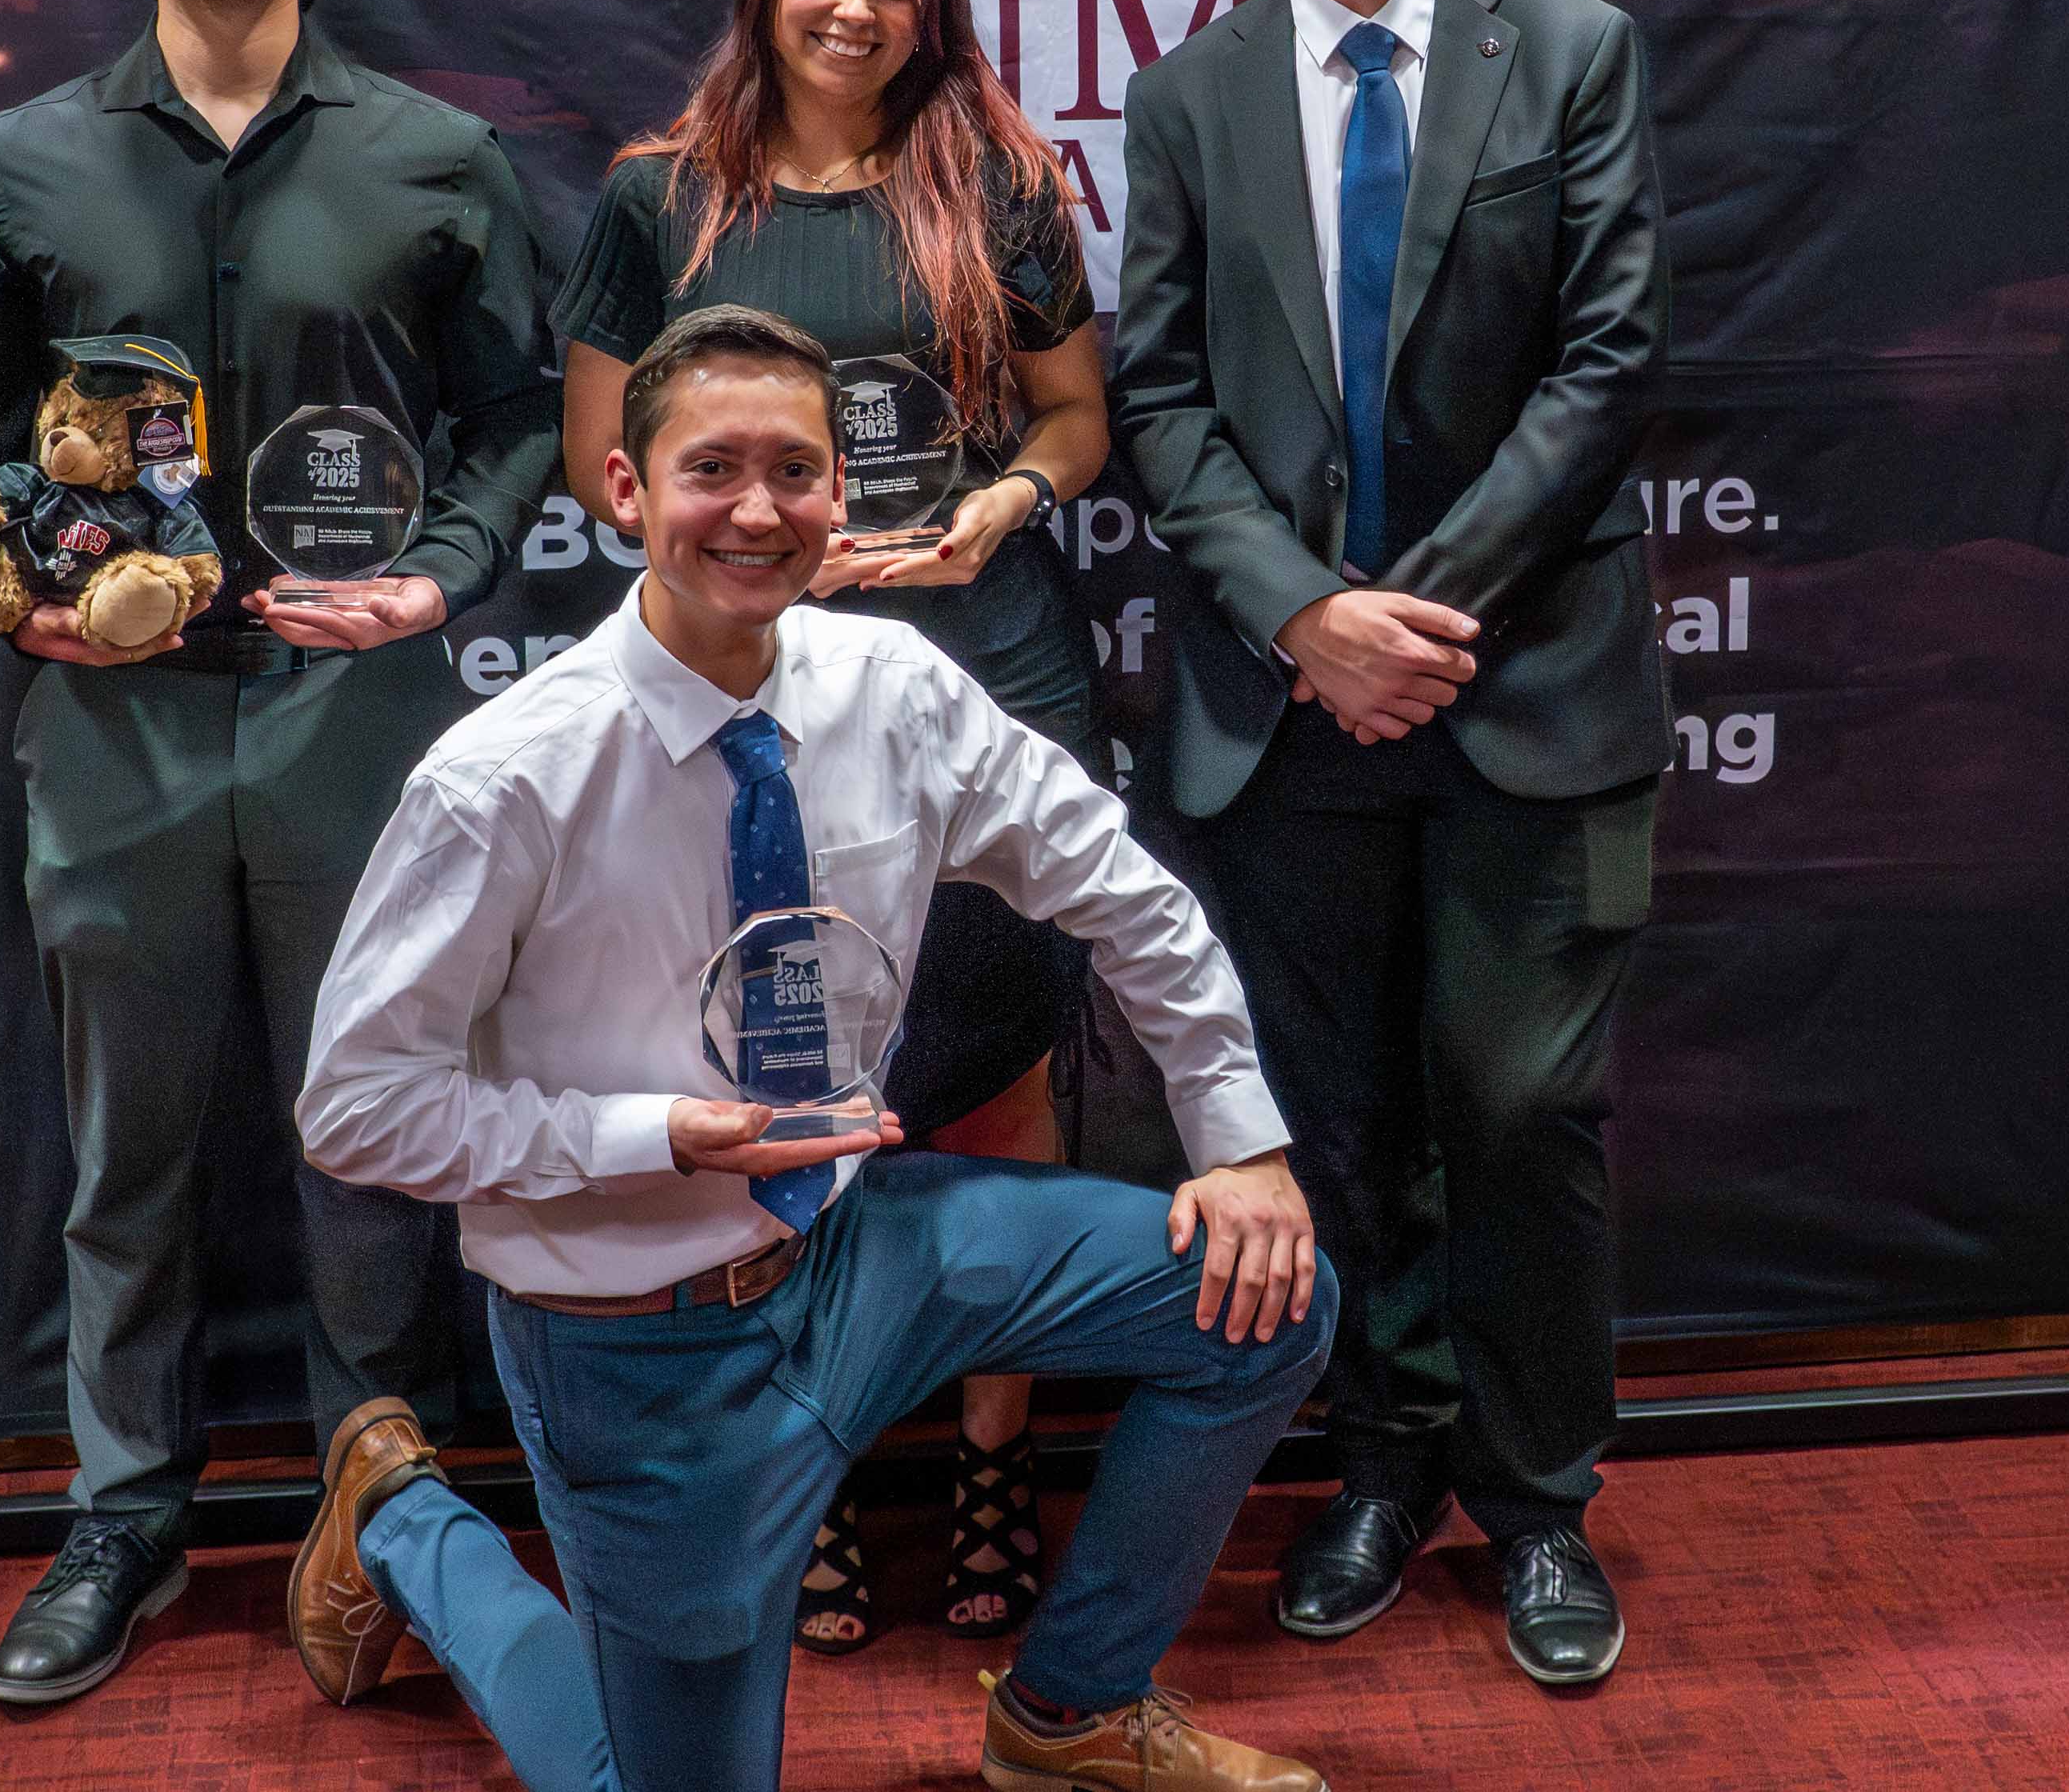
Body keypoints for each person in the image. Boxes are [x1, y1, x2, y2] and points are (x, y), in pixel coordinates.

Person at [295, 305, 1338, 1792]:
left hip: (858, 1251)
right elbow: (357, 1112)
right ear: (623, 490)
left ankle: (1069, 1713)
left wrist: (1240, 1143)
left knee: (1267, 1301)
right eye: (711, 468)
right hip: (638, 1338)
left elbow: (1129, 894)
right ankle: (401, 1514)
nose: (760, 508)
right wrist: (651, 1132)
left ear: (842, 498)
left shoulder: (890, 691)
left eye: (798, 469)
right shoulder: (504, 781)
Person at [0, 0, 594, 1755]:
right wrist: (18, 580)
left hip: (358, 717)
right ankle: (123, 1516)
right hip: (107, 735)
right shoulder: (26, 158)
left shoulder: (434, 158)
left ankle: (381, 1506)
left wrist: (445, 576)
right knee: (124, 1149)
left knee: (372, 1134)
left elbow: (510, 421)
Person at [1111, 0, 1673, 1686]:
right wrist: (1304, 620)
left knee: (1522, 1109)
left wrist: (1407, 618)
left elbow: (1611, 360)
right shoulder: (1184, 103)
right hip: (1284, 712)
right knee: (1330, 1125)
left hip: (1529, 688)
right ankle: (1378, 1457)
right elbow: (1159, 403)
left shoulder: (1576, 51)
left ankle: (1540, 1504)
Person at [551, 0, 1108, 1651]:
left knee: (998, 1076)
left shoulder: (999, 181)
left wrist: (1000, 506)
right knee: (775, 1076)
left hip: (988, 673)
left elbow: (1078, 415)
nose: (857, 9)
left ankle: (991, 1465)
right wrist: (758, 542)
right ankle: (797, 1469)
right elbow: (595, 462)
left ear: (928, 3)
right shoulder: (661, 196)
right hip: (743, 699)